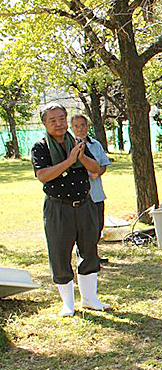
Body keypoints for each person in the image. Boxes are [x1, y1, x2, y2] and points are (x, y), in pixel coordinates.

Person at [31, 103, 108, 316]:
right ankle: (68, 304)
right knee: (60, 253)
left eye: (62, 119)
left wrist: (80, 156)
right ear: (45, 124)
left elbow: (95, 169)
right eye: (52, 120)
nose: (58, 124)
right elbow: (43, 175)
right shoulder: (41, 147)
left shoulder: (77, 143)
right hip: (58, 207)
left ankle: (90, 299)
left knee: (89, 250)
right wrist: (69, 160)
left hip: (84, 204)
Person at [70, 114, 111, 265]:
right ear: (71, 128)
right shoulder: (69, 145)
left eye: (83, 125)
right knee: (84, 228)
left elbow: (103, 164)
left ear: (87, 126)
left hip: (96, 192)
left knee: (98, 225)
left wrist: (97, 172)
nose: (80, 129)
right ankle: (85, 257)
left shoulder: (96, 144)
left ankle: (93, 255)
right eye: (76, 126)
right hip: (80, 194)